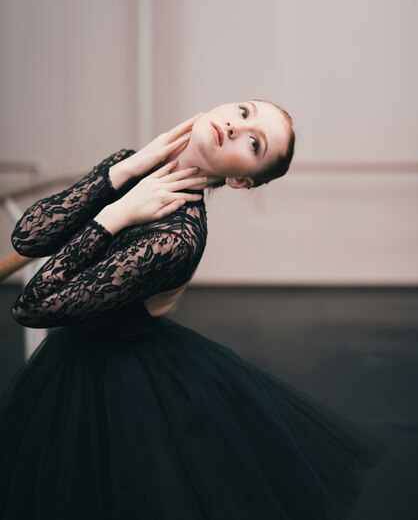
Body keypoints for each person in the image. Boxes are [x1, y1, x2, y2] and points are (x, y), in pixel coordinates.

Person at [0, 99, 384, 519]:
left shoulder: (176, 238)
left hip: (118, 385)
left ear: (239, 180)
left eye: (255, 143)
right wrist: (121, 172)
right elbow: (28, 237)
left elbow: (31, 306)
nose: (237, 127)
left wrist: (113, 215)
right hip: (68, 360)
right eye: (243, 112)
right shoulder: (131, 163)